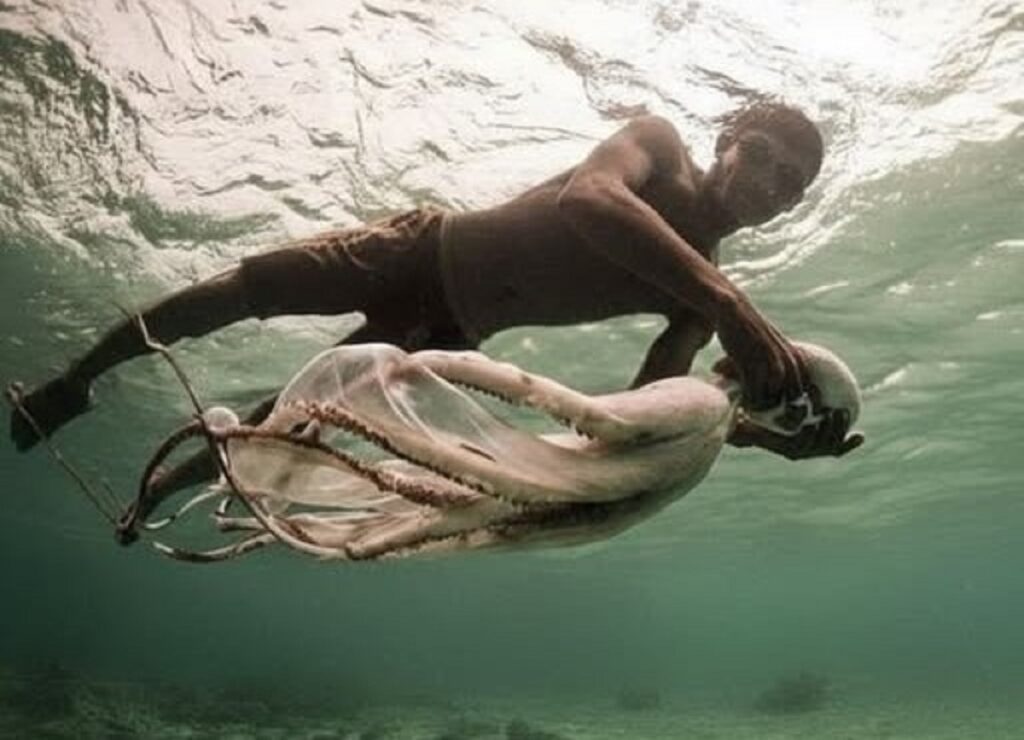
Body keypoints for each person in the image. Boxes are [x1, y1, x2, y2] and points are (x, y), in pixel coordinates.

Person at [8, 101, 863, 493]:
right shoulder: (661, 146)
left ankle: (152, 493)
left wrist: (748, 433)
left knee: (288, 417)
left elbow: (639, 412)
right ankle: (79, 379)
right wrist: (733, 308)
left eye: (791, 185)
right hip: (422, 244)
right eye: (763, 157)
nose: (771, 185)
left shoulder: (697, 295)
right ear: (726, 140)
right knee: (243, 291)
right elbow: (588, 201)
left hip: (452, 325)